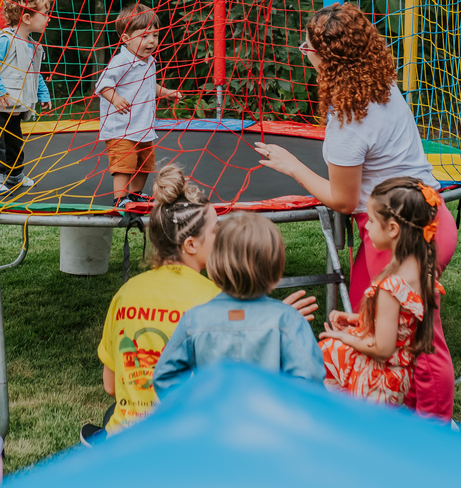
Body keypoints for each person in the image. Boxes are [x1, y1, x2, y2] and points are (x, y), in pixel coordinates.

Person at [254, 2, 458, 421]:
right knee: (396, 328)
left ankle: (434, 428)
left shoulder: (349, 120)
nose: (303, 53)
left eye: (307, 48)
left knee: (421, 337)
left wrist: (293, 166)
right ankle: (392, 413)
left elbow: (344, 200)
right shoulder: (381, 85)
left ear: (327, 58)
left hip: (399, 233)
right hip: (430, 215)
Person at [87, 164, 317, 444]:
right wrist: (273, 320)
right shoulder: (214, 298)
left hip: (126, 436)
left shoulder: (125, 292)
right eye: (215, 231)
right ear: (191, 245)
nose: (221, 238)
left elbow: (110, 386)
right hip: (188, 438)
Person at [152, 212, 326, 398]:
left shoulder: (193, 321)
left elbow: (165, 376)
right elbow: (310, 378)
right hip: (269, 424)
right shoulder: (289, 320)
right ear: (276, 271)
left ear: (214, 265)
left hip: (214, 423)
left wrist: (195, 406)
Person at [317, 177, 441, 405]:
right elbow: (400, 325)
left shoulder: (390, 287)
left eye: (371, 221)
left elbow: (382, 348)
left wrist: (343, 336)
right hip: (400, 377)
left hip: (376, 383)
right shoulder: (422, 269)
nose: (367, 226)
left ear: (392, 228)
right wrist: (358, 320)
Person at [95, 3, 182, 207]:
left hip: (142, 126)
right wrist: (115, 99)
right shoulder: (121, 61)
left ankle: (135, 195)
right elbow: (102, 84)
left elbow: (150, 84)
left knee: (145, 163)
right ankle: (120, 198)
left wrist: (166, 93)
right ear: (126, 39)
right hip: (121, 128)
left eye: (155, 36)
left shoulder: (148, 60)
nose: (151, 41)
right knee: (124, 165)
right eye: (144, 36)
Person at [0, 0, 53, 195]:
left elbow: (34, 72)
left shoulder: (31, 45)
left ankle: (15, 174)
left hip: (15, 105)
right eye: (45, 14)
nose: (48, 18)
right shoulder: (5, 40)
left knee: (15, 142)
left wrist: (43, 93)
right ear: (27, 18)